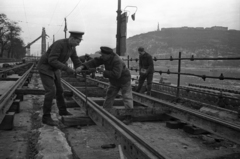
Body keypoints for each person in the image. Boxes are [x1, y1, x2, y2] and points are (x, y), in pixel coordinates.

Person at [37, 31, 84, 126]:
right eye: (78, 41)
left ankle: (62, 111)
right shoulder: (59, 44)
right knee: (51, 92)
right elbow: (52, 60)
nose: (78, 44)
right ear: (72, 38)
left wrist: (80, 67)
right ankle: (46, 117)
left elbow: (75, 59)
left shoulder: (72, 47)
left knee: (60, 90)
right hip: (45, 67)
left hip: (55, 68)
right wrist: (67, 68)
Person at [78, 46, 133, 124]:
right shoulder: (105, 58)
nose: (102, 57)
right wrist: (83, 66)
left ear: (109, 55)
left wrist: (103, 71)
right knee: (109, 95)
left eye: (103, 55)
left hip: (124, 80)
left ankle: (129, 116)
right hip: (114, 81)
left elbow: (116, 74)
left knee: (127, 97)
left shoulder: (117, 61)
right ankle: (106, 112)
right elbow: (95, 61)